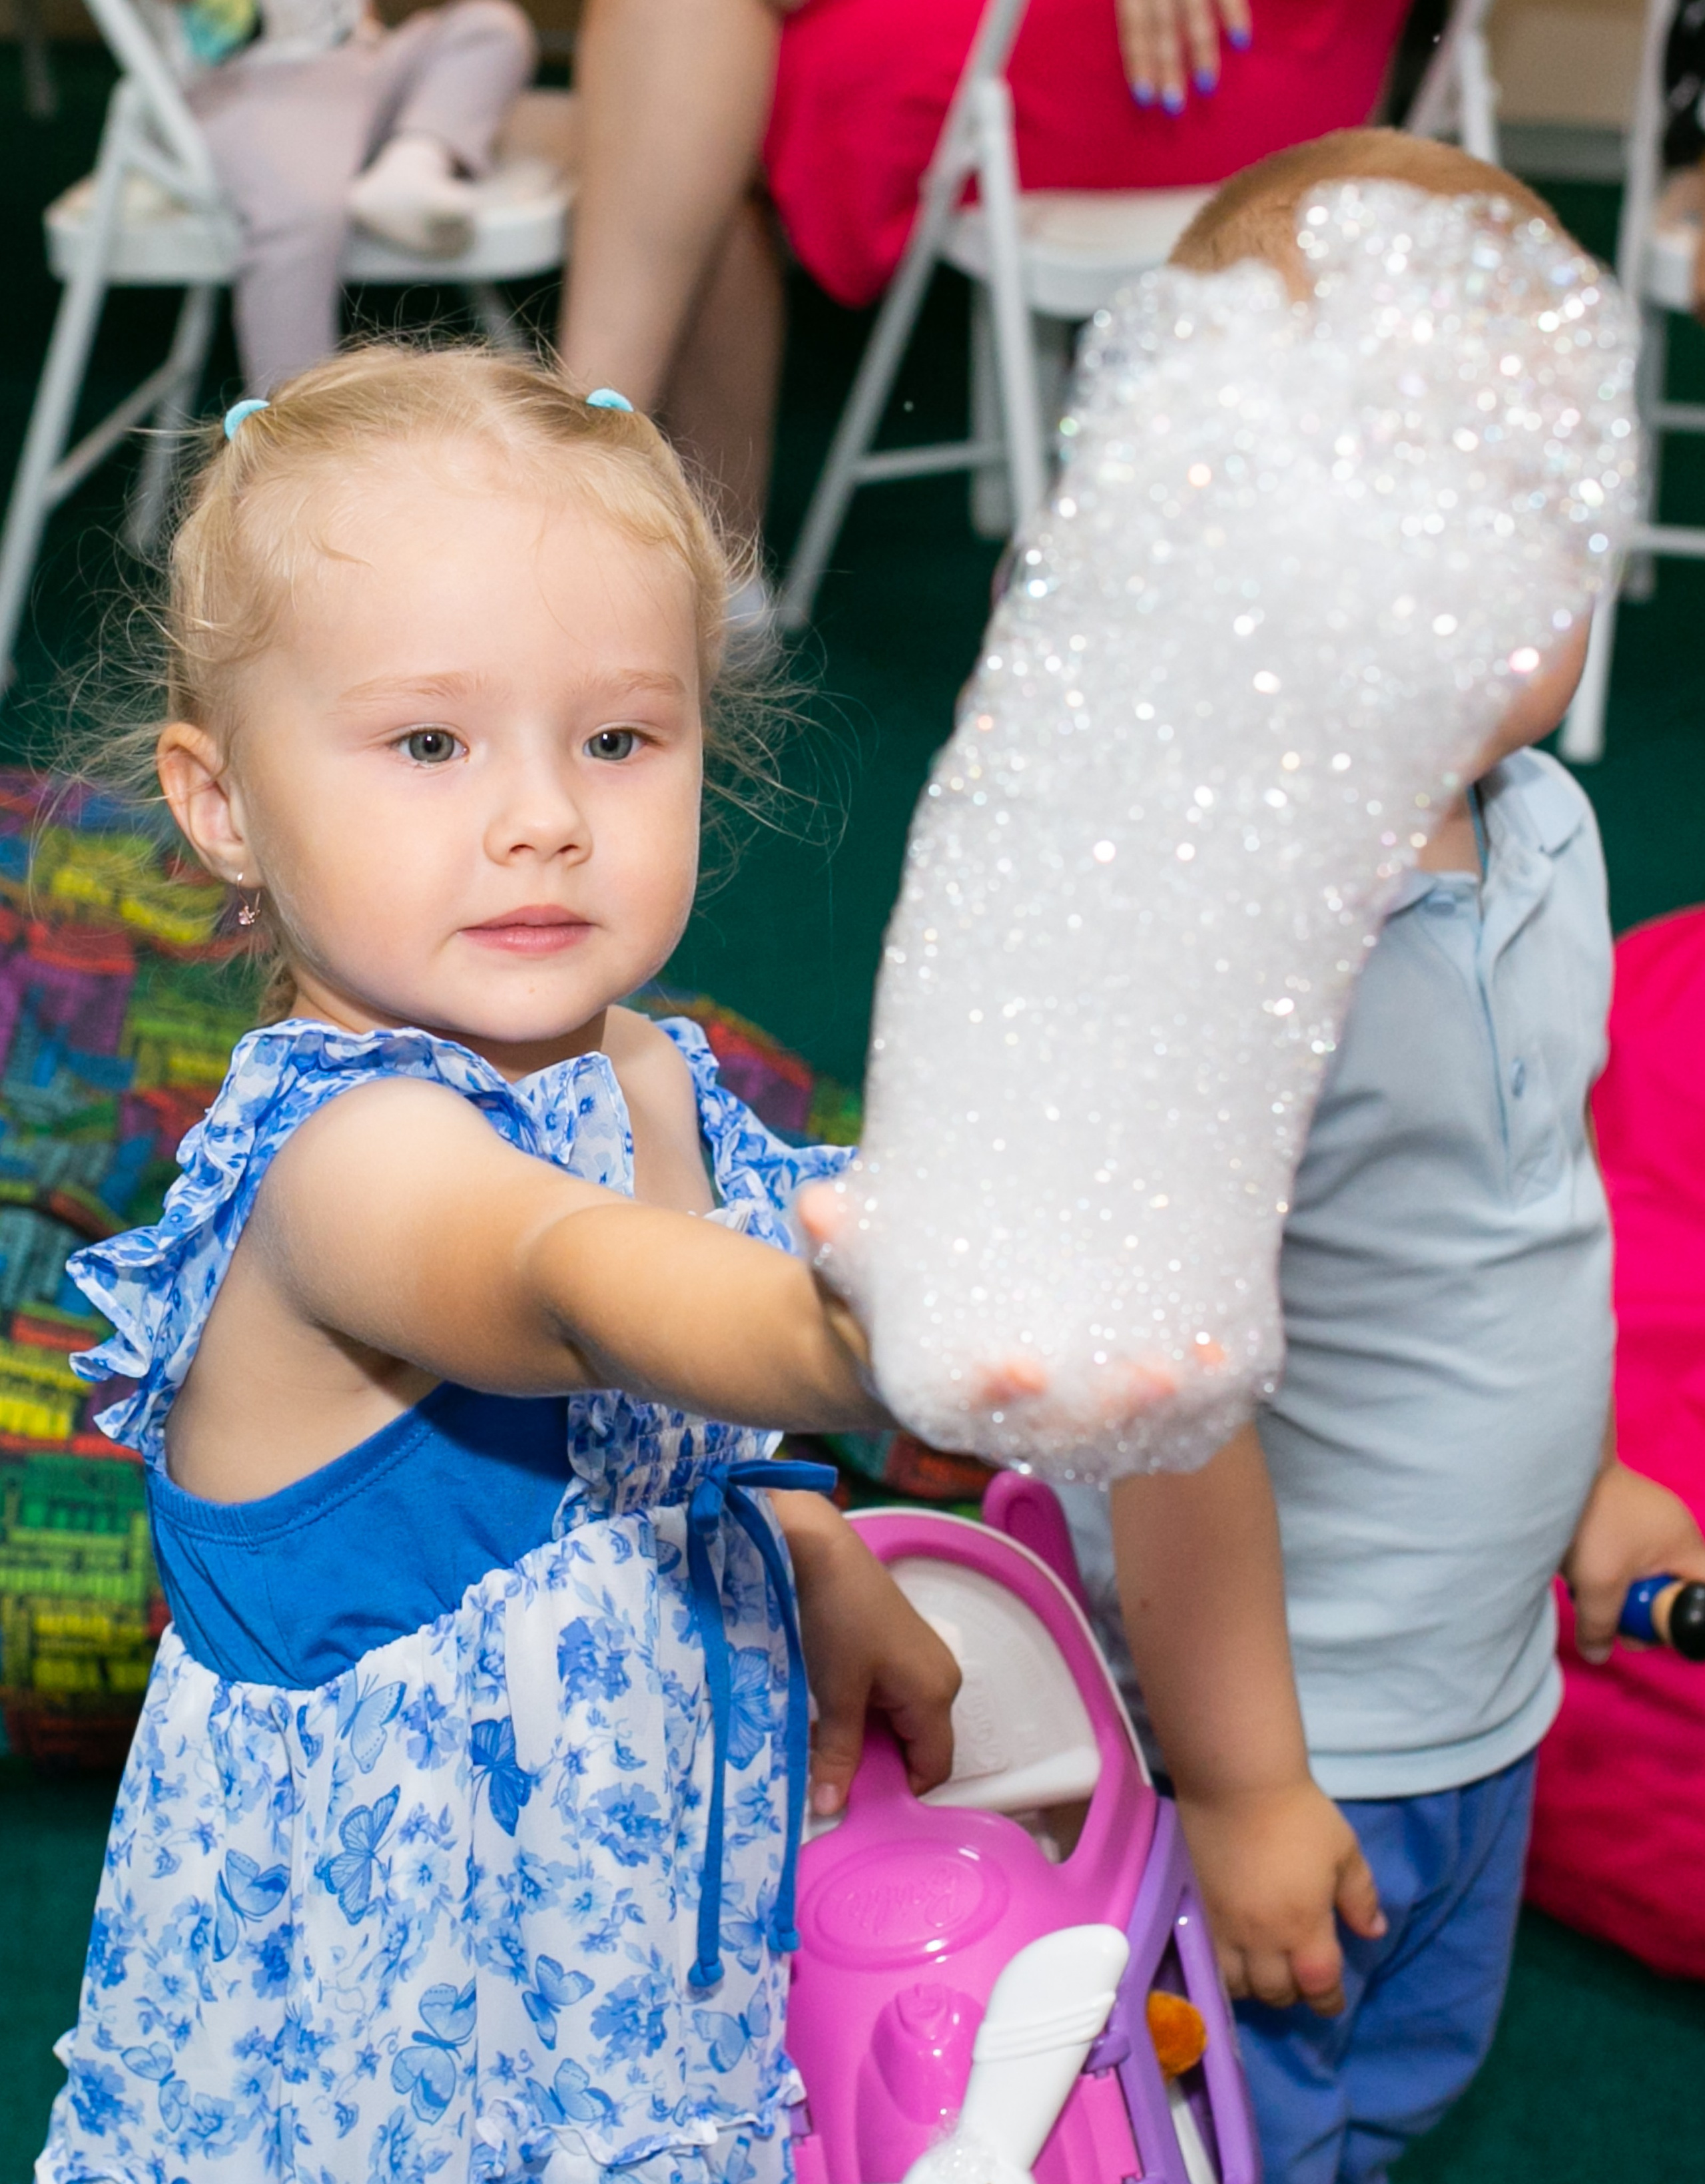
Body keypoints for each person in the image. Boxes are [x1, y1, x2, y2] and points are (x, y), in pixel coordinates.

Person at [35, 347, 960, 2180]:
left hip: (599, 1952)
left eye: (616, 740)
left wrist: (796, 1527)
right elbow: (576, 1284)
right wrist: (871, 1338)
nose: (545, 815)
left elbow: (636, 1447)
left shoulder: (649, 1073)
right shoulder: (353, 1164)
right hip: (376, 2045)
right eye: (430, 744)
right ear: (221, 805)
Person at [1072, 131, 1705, 2184]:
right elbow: (1167, 1417)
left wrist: (1580, 1475)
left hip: (1478, 1679)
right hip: (1299, 1717)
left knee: (1400, 2085)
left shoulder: (1547, 831)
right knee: (1228, 2125)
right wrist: (1245, 1783)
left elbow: (1505, 1224)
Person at [557, 0, 1409, 613]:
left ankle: (581, 492)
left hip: (1211, 54)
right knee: (696, 76)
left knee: (694, 64)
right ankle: (645, 531)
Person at [162, 0, 539, 392]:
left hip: (363, 57)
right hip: (253, 83)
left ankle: (412, 161)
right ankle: (296, 413)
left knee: (491, 28)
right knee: (300, 215)